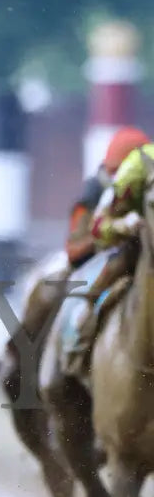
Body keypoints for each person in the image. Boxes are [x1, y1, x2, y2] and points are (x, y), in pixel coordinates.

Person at [63, 128, 154, 377]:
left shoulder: (145, 172)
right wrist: (123, 229)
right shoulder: (94, 193)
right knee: (50, 292)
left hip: (139, 247)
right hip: (96, 257)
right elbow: (75, 248)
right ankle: (69, 346)